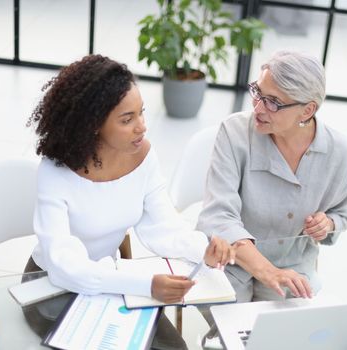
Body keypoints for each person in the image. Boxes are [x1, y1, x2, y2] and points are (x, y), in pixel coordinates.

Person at [25, 54, 236, 349]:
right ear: (94, 124)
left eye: (141, 113)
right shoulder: (55, 169)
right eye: (127, 119)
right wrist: (146, 285)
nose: (142, 127)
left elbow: (162, 227)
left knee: (174, 347)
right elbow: (65, 266)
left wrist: (204, 251)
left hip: (112, 280)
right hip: (52, 287)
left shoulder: (143, 155)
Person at [197, 51, 347, 304]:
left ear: (307, 111)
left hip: (294, 270)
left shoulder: (338, 151)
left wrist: (328, 224)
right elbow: (218, 216)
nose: (258, 108)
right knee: (232, 333)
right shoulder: (234, 132)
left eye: (273, 102)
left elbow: (342, 215)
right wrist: (268, 271)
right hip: (231, 265)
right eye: (257, 92)